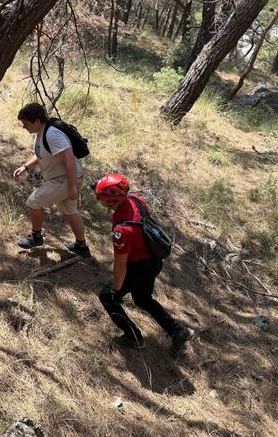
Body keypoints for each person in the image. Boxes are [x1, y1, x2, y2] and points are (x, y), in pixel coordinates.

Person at [93, 173, 194, 357]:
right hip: (153, 262)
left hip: (137, 267)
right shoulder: (135, 199)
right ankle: (178, 331)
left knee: (108, 298)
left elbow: (121, 264)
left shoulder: (122, 231)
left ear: (111, 200)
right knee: (143, 299)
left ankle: (133, 338)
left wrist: (116, 289)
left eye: (100, 197)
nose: (98, 200)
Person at [12, 103, 90, 257]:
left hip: (65, 179)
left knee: (34, 202)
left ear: (37, 120)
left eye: (25, 123)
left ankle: (36, 237)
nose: (23, 127)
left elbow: (68, 159)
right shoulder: (43, 132)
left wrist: (72, 186)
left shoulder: (52, 134)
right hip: (66, 178)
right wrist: (26, 167)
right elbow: (42, 154)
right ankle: (81, 246)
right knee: (70, 211)